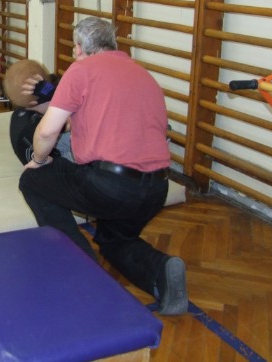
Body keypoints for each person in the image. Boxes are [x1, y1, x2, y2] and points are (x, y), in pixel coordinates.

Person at [18, 17, 188, 316]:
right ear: (113, 43)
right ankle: (161, 271)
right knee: (114, 240)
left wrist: (38, 161)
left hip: (110, 185)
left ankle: (78, 266)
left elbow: (46, 132)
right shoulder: (142, 74)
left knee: (33, 180)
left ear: (79, 47)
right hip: (156, 188)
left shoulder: (81, 69)